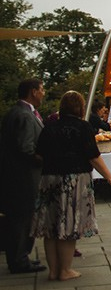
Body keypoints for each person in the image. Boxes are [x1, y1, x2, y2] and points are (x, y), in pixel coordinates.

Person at [31, 91, 111, 281]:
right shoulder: (83, 127)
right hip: (74, 180)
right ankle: (65, 270)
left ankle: (53, 271)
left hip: (49, 179)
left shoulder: (49, 127)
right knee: (69, 225)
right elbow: (93, 156)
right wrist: (110, 178)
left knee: (51, 226)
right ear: (80, 107)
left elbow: (39, 155)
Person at [1, 78, 47, 274]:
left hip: (17, 176)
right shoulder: (24, 116)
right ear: (33, 91)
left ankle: (21, 257)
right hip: (24, 178)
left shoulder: (17, 112)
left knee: (20, 218)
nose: (43, 93)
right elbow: (25, 149)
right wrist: (45, 159)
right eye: (42, 89)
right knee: (22, 219)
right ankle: (19, 260)